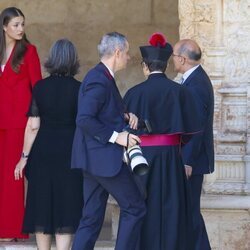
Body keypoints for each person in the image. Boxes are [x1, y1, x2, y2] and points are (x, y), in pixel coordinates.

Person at [123, 33, 202, 250]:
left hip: (142, 158)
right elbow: (192, 130)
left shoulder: (133, 92)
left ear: (145, 66)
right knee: (171, 207)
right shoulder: (180, 92)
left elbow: (123, 126)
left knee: (142, 205)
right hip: (171, 158)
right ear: (166, 65)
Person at [71, 32, 146, 250]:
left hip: (94, 159)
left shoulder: (101, 76)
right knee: (135, 207)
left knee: (91, 218)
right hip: (104, 159)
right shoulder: (99, 79)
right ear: (117, 52)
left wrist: (123, 115)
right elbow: (84, 119)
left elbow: (101, 111)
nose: (129, 57)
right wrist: (117, 136)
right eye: (127, 52)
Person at [14, 39, 83, 250]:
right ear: (73, 60)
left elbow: (33, 126)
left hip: (43, 152)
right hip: (70, 152)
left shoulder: (40, 88)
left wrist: (23, 158)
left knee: (41, 202)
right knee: (67, 205)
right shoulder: (80, 89)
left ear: (51, 59)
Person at [0, 7, 42, 240]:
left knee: (12, 177)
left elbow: (38, 88)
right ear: (4, 26)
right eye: (15, 24)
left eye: (22, 24)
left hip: (18, 122)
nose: (20, 29)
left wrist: (35, 120)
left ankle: (10, 229)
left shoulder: (29, 51)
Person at [172, 39, 214, 250]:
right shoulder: (193, 79)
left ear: (182, 58)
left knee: (190, 212)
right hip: (191, 159)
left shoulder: (196, 84)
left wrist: (187, 161)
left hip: (192, 161)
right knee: (189, 212)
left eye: (173, 56)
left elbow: (196, 129)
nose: (172, 60)